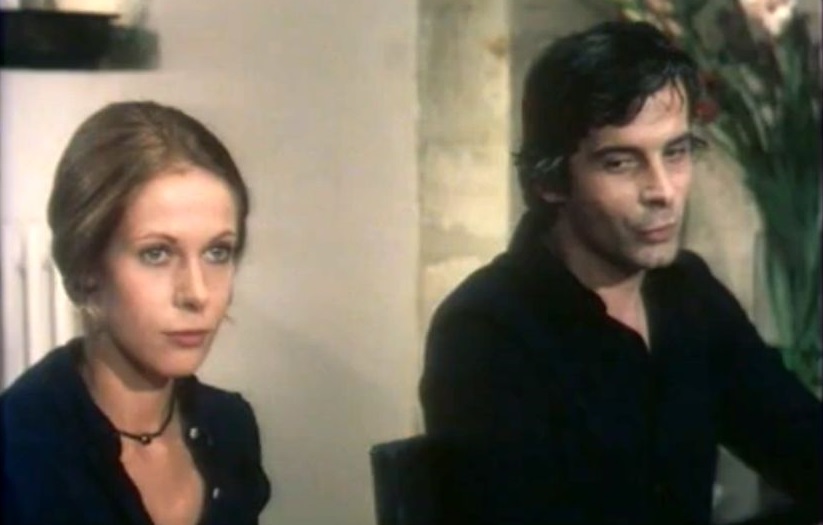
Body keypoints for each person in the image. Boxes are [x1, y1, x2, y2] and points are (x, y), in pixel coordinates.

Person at [419, 21, 822, 525]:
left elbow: (804, 446)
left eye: (675, 153)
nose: (663, 191)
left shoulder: (686, 293)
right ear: (549, 181)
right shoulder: (486, 331)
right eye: (620, 163)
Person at [1, 101, 271, 525]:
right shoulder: (19, 450)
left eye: (217, 252)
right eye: (156, 253)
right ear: (87, 270)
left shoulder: (229, 427)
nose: (198, 293)